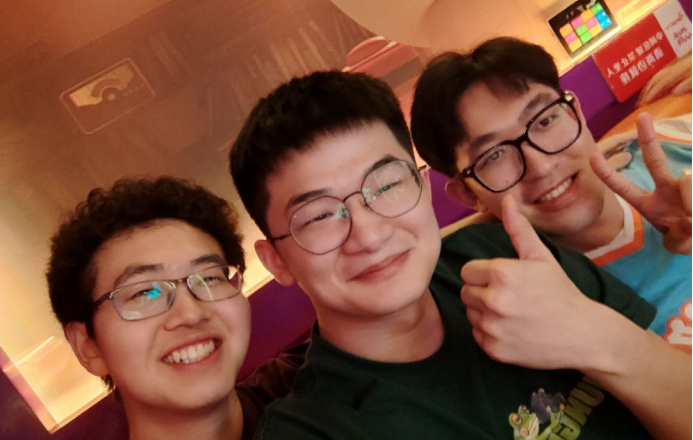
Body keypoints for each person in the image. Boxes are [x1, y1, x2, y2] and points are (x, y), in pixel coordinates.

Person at [229, 70, 689, 440]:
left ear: (421, 185)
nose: (369, 235)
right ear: (277, 262)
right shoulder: (313, 430)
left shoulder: (501, 252)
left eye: (386, 186)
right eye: (319, 216)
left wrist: (594, 334)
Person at [410, 38, 692, 347]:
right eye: (494, 155)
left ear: (575, 113)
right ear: (468, 195)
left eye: (545, 121)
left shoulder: (677, 144)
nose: (541, 166)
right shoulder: (529, 312)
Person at [47, 177, 275, 440]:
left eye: (209, 278)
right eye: (145, 293)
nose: (191, 313)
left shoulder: (310, 391)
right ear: (88, 346)